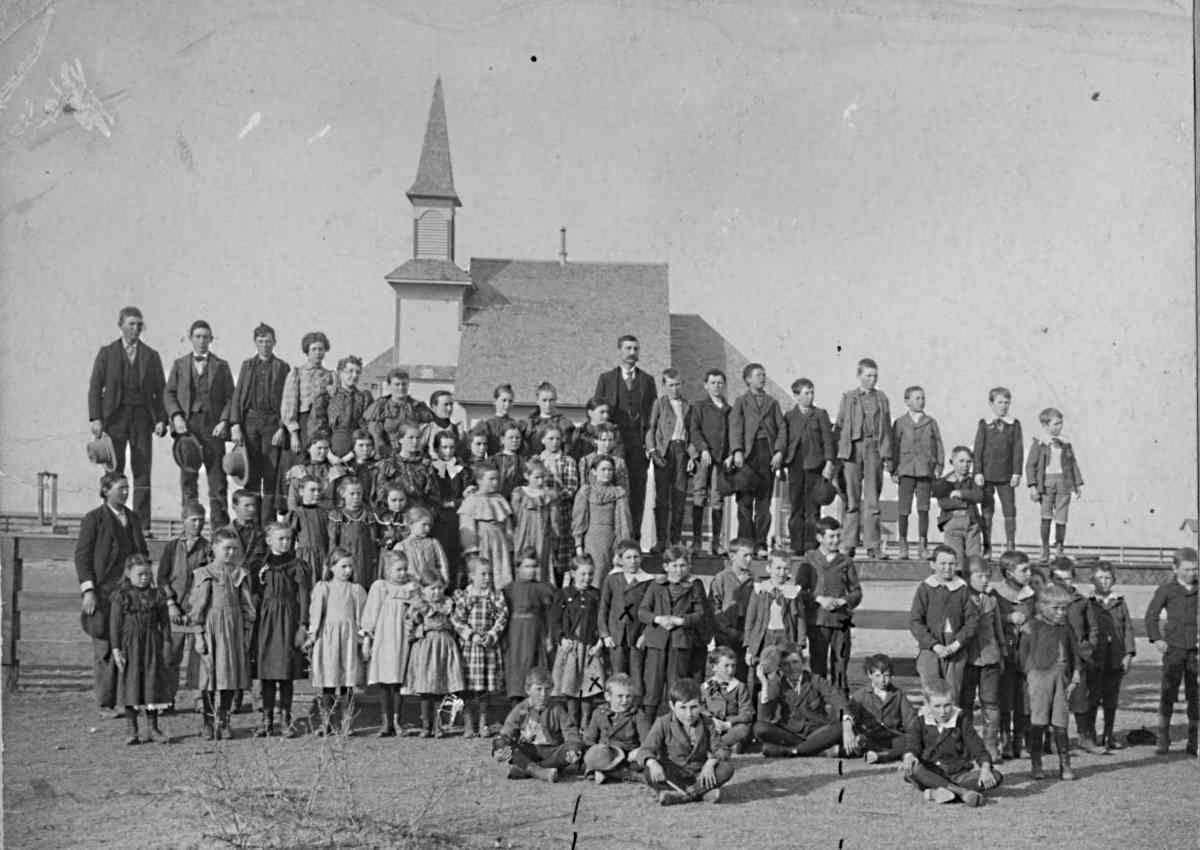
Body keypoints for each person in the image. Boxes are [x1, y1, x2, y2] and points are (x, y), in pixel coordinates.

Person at [87, 306, 168, 534]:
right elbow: (95, 387)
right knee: (113, 470)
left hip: (142, 418)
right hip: (114, 418)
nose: (136, 328)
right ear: (121, 325)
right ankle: (109, 521)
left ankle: (142, 526)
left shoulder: (151, 356)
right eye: (131, 324)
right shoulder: (107, 353)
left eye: (139, 324)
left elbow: (161, 391)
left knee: (142, 469)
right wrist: (96, 418)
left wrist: (161, 419)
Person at [75, 471, 149, 715]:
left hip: (129, 595)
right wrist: (88, 591)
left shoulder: (133, 519)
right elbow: (82, 557)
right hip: (103, 595)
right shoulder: (93, 519)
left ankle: (127, 699)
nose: (126, 492)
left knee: (128, 644)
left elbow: (142, 554)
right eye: (121, 488)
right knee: (105, 647)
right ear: (106, 490)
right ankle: (106, 702)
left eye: (128, 488)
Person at [164, 319, 235, 527]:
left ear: (211, 339)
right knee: (188, 479)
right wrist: (176, 416)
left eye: (206, 337)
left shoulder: (221, 366)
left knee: (217, 480)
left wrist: (224, 421)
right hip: (188, 427)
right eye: (198, 337)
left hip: (213, 427)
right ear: (190, 338)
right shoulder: (179, 365)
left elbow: (231, 397)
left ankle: (220, 528)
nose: (202, 341)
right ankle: (190, 525)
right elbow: (169, 393)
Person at [189, 527, 256, 740]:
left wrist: (246, 633)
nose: (231, 553)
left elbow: (247, 607)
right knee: (210, 677)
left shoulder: (240, 573)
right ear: (214, 548)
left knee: (229, 678)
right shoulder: (204, 574)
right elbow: (197, 609)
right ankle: (208, 722)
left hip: (233, 631)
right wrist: (199, 636)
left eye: (234, 549)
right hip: (212, 629)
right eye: (226, 548)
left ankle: (224, 720)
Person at [900, 678, 1002, 806]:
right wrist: (910, 755)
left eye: (947, 705)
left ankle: (935, 793)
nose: (943, 712)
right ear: (927, 704)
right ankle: (962, 793)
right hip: (930, 773)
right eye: (937, 706)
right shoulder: (920, 721)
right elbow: (912, 744)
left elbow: (977, 747)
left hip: (957, 775)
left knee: (996, 776)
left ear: (952, 702)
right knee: (914, 769)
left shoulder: (961, 720)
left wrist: (985, 768)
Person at [593, 335, 657, 540]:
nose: (632, 353)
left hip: (638, 445)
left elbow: (652, 417)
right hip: (614, 446)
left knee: (637, 492)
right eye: (628, 348)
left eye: (636, 349)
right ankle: (614, 537)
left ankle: (634, 538)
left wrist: (650, 445)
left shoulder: (648, 381)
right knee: (614, 488)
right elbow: (598, 414)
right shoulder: (606, 379)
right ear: (620, 351)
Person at [637, 677, 735, 805]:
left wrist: (710, 763)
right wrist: (652, 763)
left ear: (701, 705)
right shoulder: (662, 722)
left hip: (699, 775)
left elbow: (722, 749)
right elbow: (645, 750)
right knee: (649, 772)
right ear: (672, 706)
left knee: (726, 768)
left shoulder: (708, 723)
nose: (689, 714)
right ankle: (702, 793)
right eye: (683, 708)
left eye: (694, 707)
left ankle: (682, 796)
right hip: (672, 774)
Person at [1019, 581, 1082, 779]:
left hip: (1061, 678)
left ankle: (1065, 764)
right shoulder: (1032, 627)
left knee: (1060, 720)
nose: (1061, 613)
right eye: (1056, 608)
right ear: (1043, 606)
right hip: (1039, 677)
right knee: (1039, 720)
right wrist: (1031, 674)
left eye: (1064, 608)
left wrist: (1076, 673)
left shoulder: (1066, 627)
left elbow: (1075, 652)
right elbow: (1022, 655)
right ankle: (1037, 764)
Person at [109, 553, 173, 745]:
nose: (144, 577)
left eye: (147, 573)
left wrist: (167, 644)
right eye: (140, 574)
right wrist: (116, 649)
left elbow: (165, 624)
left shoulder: (157, 595)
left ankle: (153, 728)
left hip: (152, 645)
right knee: (131, 684)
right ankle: (132, 730)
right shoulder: (121, 596)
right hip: (130, 646)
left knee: (151, 684)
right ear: (128, 574)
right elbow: (114, 625)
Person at [253, 521, 309, 738]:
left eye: (289, 539)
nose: (286, 543)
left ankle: (285, 720)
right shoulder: (260, 566)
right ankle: (266, 720)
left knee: (285, 673)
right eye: (281, 539)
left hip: (288, 620)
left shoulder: (297, 566)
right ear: (269, 541)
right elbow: (254, 597)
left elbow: (303, 597)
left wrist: (302, 625)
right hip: (266, 623)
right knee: (266, 673)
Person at [304, 547, 368, 736]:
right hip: (328, 638)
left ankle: (347, 722)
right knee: (329, 682)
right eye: (343, 566)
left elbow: (361, 616)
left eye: (350, 567)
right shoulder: (323, 587)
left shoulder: (355, 590)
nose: (348, 571)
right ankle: (327, 722)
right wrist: (312, 636)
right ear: (332, 567)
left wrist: (362, 637)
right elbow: (316, 614)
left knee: (347, 683)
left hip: (347, 639)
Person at [230, 323, 290, 522]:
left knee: (271, 474)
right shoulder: (247, 366)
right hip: (250, 423)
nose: (265, 345)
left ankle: (267, 525)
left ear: (275, 343)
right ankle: (251, 522)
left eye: (268, 341)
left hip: (272, 424)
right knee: (251, 473)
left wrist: (282, 427)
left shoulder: (282, 367)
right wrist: (236, 424)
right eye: (261, 341)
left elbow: (287, 400)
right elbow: (237, 396)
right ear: (255, 343)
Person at [639, 546, 707, 720]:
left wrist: (681, 621)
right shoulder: (656, 585)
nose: (679, 570)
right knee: (652, 688)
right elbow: (643, 611)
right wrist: (659, 619)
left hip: (680, 643)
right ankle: (647, 730)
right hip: (657, 643)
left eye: (683, 565)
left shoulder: (694, 586)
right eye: (674, 565)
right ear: (666, 566)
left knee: (676, 688)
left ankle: (674, 728)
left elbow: (701, 614)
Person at [834, 357, 892, 559]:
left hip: (873, 448)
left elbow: (886, 428)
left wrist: (887, 455)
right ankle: (848, 543)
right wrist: (837, 456)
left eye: (875, 375)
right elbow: (840, 425)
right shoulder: (849, 397)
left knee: (872, 499)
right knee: (851, 498)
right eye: (868, 375)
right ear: (859, 376)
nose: (872, 379)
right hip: (851, 449)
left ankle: (873, 544)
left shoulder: (882, 398)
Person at [755, 642, 854, 758]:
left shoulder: (815, 680)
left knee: (839, 727)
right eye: (786, 664)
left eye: (795, 662)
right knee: (759, 728)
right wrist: (765, 684)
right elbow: (764, 719)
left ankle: (794, 751)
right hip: (790, 733)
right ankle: (819, 750)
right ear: (780, 667)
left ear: (804, 662)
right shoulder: (777, 683)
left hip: (817, 732)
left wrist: (847, 722)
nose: (792, 668)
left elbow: (836, 698)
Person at [1144, 546, 1198, 756]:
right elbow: (1151, 616)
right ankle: (1163, 739)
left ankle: (1194, 741)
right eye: (1186, 569)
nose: (1191, 574)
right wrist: (1156, 639)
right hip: (1174, 649)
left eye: (1195, 569)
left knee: (1195, 696)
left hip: (1195, 651)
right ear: (1175, 568)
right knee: (1168, 692)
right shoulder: (1166, 589)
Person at [728, 363, 785, 557]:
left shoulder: (772, 402)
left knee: (763, 502)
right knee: (744, 502)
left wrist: (778, 452)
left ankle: (760, 543)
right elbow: (735, 427)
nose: (762, 378)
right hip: (746, 455)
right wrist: (737, 451)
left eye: (764, 374)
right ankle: (745, 543)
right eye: (758, 375)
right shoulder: (741, 402)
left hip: (766, 454)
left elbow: (781, 428)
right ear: (748, 379)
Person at [1049, 557, 1105, 754]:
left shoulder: (1081, 601)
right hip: (1054, 657)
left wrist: (1088, 647)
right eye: (1060, 579)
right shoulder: (1046, 599)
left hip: (1079, 658)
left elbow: (1094, 628)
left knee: (1080, 697)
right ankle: (1056, 740)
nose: (1065, 583)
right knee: (1056, 699)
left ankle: (1084, 737)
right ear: (1052, 579)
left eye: (1068, 578)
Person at [797, 517, 860, 691]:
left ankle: (841, 711)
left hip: (841, 622)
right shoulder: (809, 559)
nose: (835, 541)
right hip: (818, 621)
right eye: (831, 536)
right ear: (820, 538)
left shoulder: (846, 561)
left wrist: (844, 600)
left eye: (838, 536)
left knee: (840, 666)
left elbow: (857, 592)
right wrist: (819, 599)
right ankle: (818, 707)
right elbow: (800, 591)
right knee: (818, 667)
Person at [158, 501, 209, 709]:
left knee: (199, 656)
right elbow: (162, 577)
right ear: (183, 520)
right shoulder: (172, 546)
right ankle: (167, 698)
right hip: (175, 611)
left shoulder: (207, 548)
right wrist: (171, 604)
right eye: (193, 520)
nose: (197, 524)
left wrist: (199, 606)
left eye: (201, 520)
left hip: (197, 611)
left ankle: (199, 699)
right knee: (171, 655)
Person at [451, 554, 509, 738]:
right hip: (470, 648)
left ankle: (484, 721)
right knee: (468, 687)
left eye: (489, 574)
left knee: (485, 687)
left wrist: (492, 634)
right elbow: (457, 619)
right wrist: (471, 635)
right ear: (472, 576)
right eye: (483, 574)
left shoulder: (495, 596)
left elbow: (502, 616)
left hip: (488, 647)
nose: (487, 578)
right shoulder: (465, 596)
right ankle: (469, 722)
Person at [363, 550, 420, 737]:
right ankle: (385, 721)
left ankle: (398, 720)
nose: (402, 573)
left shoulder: (412, 588)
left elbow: (419, 611)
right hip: (384, 639)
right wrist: (367, 640)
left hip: (403, 639)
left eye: (405, 569)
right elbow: (371, 614)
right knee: (385, 681)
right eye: (398, 570)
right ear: (387, 570)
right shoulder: (380, 587)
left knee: (398, 681)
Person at [910, 545, 979, 699]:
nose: (947, 568)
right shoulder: (925, 589)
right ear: (933, 564)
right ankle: (931, 723)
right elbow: (915, 621)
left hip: (955, 649)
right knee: (932, 693)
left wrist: (956, 644)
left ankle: (952, 723)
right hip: (931, 648)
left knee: (952, 694)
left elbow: (972, 620)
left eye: (951, 564)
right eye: (943, 563)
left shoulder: (962, 589)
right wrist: (934, 645)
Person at [492, 667, 582, 783]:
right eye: (538, 689)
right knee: (507, 746)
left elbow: (570, 730)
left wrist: (572, 748)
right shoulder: (521, 709)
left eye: (547, 689)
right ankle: (540, 771)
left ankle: (526, 769)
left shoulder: (557, 709)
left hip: (552, 752)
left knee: (574, 749)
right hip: (529, 750)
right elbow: (506, 732)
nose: (543, 694)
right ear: (528, 690)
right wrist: (499, 750)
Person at [405, 578, 465, 738]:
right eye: (432, 588)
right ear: (423, 589)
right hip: (426, 648)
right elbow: (409, 627)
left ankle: (439, 725)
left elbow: (455, 623)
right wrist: (422, 628)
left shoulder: (447, 604)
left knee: (441, 688)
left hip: (444, 647)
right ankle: (426, 725)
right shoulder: (419, 605)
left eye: (439, 588)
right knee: (426, 689)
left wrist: (446, 626)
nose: (437, 592)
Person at [890, 385, 944, 561]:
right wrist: (893, 469)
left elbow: (939, 445)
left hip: (924, 470)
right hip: (905, 469)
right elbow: (894, 447)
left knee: (923, 509)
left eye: (923, 397)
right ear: (907, 401)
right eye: (917, 398)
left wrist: (939, 466)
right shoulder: (899, 423)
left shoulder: (931, 422)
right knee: (903, 509)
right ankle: (903, 545)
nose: (921, 401)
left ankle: (922, 545)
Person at [782, 378, 836, 556]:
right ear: (796, 396)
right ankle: (796, 545)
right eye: (806, 393)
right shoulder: (789, 416)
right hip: (795, 467)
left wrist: (829, 462)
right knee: (796, 507)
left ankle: (811, 545)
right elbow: (784, 442)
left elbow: (828, 441)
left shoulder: (820, 414)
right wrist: (782, 464)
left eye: (812, 392)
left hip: (815, 467)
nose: (810, 396)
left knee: (813, 509)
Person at [551, 555, 604, 727]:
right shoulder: (564, 594)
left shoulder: (596, 595)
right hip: (571, 648)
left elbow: (602, 620)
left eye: (590, 574)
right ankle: (572, 720)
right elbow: (554, 621)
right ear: (573, 573)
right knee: (571, 684)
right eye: (583, 574)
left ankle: (586, 721)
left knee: (588, 684)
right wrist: (561, 638)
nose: (587, 578)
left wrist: (599, 643)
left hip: (590, 647)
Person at [1026, 407, 1085, 562]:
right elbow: (1030, 465)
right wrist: (1032, 486)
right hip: (1045, 483)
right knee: (1046, 517)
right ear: (1045, 426)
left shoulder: (1066, 443)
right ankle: (1045, 548)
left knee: (1061, 518)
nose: (1059, 427)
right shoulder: (1039, 443)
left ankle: (1059, 548)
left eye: (1060, 423)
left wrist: (1077, 484)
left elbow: (1073, 463)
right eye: (1055, 424)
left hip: (1064, 482)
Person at [961, 556, 1006, 761]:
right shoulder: (961, 599)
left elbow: (998, 629)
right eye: (980, 576)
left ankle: (990, 744)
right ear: (968, 577)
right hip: (968, 659)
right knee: (966, 703)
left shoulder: (991, 600)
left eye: (988, 576)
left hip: (990, 658)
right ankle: (968, 744)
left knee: (991, 703)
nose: (986, 580)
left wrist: (1002, 652)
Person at [993, 550, 1035, 759]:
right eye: (1023, 570)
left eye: (1029, 569)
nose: (1028, 573)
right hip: (1005, 654)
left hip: (1026, 655)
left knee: (1024, 699)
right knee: (1005, 698)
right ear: (1009, 573)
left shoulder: (1032, 595)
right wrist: (1008, 617)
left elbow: (1038, 617)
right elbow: (989, 618)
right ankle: (1005, 739)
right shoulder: (996, 595)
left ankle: (1021, 739)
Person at [972, 387, 1024, 557]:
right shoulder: (984, 423)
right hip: (986, 475)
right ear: (991, 403)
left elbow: (1018, 449)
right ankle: (987, 546)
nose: (1003, 406)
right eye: (1000, 402)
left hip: (1006, 476)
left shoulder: (1014, 424)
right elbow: (978, 448)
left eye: (1006, 402)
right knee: (987, 511)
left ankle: (1010, 546)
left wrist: (1017, 473)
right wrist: (978, 472)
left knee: (1009, 510)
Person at [1088, 561, 1135, 750]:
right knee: (1092, 697)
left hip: (1115, 658)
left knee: (1111, 698)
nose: (1104, 582)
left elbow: (1128, 629)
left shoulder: (1120, 602)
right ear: (1092, 580)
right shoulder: (1088, 603)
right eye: (1100, 578)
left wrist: (1129, 654)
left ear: (1113, 580)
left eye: (1108, 578)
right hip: (1096, 658)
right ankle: (1090, 735)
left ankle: (1108, 734)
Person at [646, 368, 694, 551]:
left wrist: (692, 456)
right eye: (671, 385)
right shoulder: (659, 404)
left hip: (682, 451)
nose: (675, 389)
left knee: (680, 498)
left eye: (678, 385)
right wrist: (653, 451)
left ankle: (675, 541)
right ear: (664, 386)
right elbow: (650, 429)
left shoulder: (688, 406)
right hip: (664, 453)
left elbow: (691, 434)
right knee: (662, 499)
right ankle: (661, 540)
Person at [598, 540, 654, 687]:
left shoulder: (648, 581)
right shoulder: (612, 579)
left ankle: (635, 704)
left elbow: (652, 612)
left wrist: (645, 635)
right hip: (616, 634)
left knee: (636, 673)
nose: (633, 561)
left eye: (636, 557)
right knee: (617, 672)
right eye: (628, 558)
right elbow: (604, 607)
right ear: (621, 560)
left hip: (636, 634)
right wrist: (605, 634)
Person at [503, 550, 556, 702]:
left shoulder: (544, 588)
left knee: (535, 664)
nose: (531, 570)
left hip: (535, 631)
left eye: (534, 566)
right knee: (516, 666)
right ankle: (516, 703)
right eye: (527, 566)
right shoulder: (509, 589)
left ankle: (537, 703)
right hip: (516, 633)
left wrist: (549, 636)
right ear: (518, 568)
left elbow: (550, 615)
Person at [572, 456, 634, 588]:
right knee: (595, 575)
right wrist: (578, 545)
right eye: (603, 469)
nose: (607, 473)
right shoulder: (586, 491)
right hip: (592, 539)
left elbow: (624, 522)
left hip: (612, 539)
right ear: (594, 471)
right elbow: (579, 519)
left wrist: (623, 548)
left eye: (610, 470)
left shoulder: (618, 493)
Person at [688, 369, 731, 555]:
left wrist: (730, 454)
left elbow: (732, 434)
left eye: (720, 383)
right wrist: (703, 448)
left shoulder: (729, 410)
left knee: (717, 499)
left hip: (721, 460)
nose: (717, 386)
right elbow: (694, 430)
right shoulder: (699, 406)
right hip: (703, 458)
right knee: (699, 495)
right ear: (706, 385)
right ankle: (696, 541)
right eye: (713, 383)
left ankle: (716, 542)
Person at [848, 654, 917, 764]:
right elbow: (850, 717)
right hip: (869, 737)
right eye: (878, 676)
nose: (883, 680)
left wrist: (914, 734)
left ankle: (879, 756)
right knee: (860, 741)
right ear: (869, 675)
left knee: (911, 741)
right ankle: (879, 753)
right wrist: (855, 735)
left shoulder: (898, 694)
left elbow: (910, 720)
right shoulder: (861, 695)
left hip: (891, 736)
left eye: (887, 676)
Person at [582, 673, 649, 784]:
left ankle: (603, 772)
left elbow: (647, 741)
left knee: (644, 761)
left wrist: (638, 751)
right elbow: (589, 740)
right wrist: (595, 752)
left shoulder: (638, 715)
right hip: (606, 754)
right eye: (620, 696)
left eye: (628, 696)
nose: (624, 701)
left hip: (628, 757)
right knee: (594, 755)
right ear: (608, 696)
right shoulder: (599, 713)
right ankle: (623, 774)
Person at [743, 551, 804, 671]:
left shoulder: (793, 590)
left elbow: (800, 618)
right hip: (764, 635)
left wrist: (800, 643)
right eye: (778, 568)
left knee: (784, 669)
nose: (782, 572)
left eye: (786, 569)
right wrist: (749, 646)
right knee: (761, 669)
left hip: (785, 636)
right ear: (768, 568)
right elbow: (750, 619)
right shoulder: (760, 589)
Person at [459, 464, 515, 588]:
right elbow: (467, 530)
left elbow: (508, 526)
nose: (495, 483)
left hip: (500, 544)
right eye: (491, 479)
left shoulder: (499, 499)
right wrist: (471, 550)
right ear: (479, 481)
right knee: (483, 571)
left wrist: (510, 544)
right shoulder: (471, 501)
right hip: (482, 542)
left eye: (497, 479)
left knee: (501, 572)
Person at [280, 331, 334, 461]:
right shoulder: (297, 373)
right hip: (302, 425)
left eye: (321, 349)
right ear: (307, 351)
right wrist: (294, 434)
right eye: (313, 349)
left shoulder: (331, 375)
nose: (317, 353)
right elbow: (289, 405)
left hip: (322, 425)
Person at [708, 539, 756, 681]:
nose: (749, 559)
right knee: (724, 670)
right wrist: (727, 630)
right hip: (725, 633)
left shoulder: (754, 581)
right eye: (745, 555)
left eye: (751, 555)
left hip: (746, 631)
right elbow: (714, 608)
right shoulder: (721, 579)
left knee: (743, 672)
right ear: (732, 556)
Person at [538, 427, 580, 585]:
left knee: (561, 552)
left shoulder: (568, 461)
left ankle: (560, 587)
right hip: (542, 510)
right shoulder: (538, 460)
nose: (554, 442)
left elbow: (570, 489)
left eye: (557, 438)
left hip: (561, 511)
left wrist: (553, 494)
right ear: (543, 440)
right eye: (550, 439)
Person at [311, 355, 373, 462]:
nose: (354, 376)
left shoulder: (364, 398)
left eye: (358, 372)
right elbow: (318, 427)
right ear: (340, 373)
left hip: (357, 453)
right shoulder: (327, 396)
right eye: (350, 371)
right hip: (329, 452)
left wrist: (352, 455)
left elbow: (366, 428)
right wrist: (329, 455)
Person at [932, 447, 983, 569]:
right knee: (956, 561)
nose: (965, 465)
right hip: (952, 522)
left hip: (972, 523)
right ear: (952, 462)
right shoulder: (944, 481)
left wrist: (961, 494)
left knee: (974, 562)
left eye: (968, 461)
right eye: (961, 461)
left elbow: (979, 496)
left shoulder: (973, 480)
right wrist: (964, 504)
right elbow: (943, 503)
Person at [430, 432, 469, 586]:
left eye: (451, 447)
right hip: (438, 518)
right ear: (436, 449)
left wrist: (454, 503)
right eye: (444, 447)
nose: (448, 451)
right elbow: (430, 494)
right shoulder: (430, 468)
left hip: (457, 516)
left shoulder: (462, 469)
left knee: (456, 556)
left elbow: (468, 493)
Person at [511, 459, 559, 584]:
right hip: (522, 534)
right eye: (536, 477)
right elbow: (514, 516)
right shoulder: (519, 493)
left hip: (541, 535)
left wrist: (554, 536)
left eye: (543, 477)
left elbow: (554, 520)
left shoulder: (548, 495)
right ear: (527, 476)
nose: (540, 481)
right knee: (521, 560)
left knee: (540, 561)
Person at [363, 368, 426, 459]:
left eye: (404, 384)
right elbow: (375, 436)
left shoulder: (418, 407)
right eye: (397, 384)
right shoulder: (380, 407)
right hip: (386, 456)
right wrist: (389, 455)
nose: (401, 388)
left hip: (413, 456)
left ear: (408, 385)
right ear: (389, 386)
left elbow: (428, 432)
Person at [373, 423, 437, 512]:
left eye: (418, 438)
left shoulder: (426, 465)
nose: (415, 442)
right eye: (410, 438)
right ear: (400, 439)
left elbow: (433, 497)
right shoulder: (388, 464)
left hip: (418, 514)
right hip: (393, 516)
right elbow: (380, 495)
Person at [327, 479, 378, 590]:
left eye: (358, 494)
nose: (356, 497)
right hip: (344, 560)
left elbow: (373, 540)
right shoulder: (337, 515)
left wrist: (374, 560)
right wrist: (333, 563)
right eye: (352, 494)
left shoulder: (368, 515)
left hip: (364, 561)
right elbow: (332, 541)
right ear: (342, 493)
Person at [702, 646, 753, 752]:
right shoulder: (705, 686)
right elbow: (700, 708)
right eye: (726, 666)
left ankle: (714, 746)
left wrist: (727, 724)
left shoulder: (739, 686)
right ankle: (727, 745)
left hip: (731, 727)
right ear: (714, 667)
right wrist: (712, 720)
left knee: (743, 730)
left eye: (733, 666)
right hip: (712, 726)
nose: (730, 670)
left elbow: (747, 714)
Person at [289, 476, 331, 586]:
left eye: (319, 490)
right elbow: (289, 541)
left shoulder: (325, 513)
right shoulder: (297, 513)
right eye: (312, 490)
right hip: (305, 559)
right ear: (301, 491)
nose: (317, 494)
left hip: (324, 559)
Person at [399, 506, 450, 587]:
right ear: (411, 524)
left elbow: (442, 564)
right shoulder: (401, 546)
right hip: (411, 587)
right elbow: (398, 569)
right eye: (424, 525)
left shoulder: (433, 543)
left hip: (433, 586)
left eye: (429, 525)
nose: (428, 529)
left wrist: (444, 583)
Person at [285, 436, 337, 514]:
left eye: (326, 448)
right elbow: (293, 500)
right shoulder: (299, 470)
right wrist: (295, 518)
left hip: (328, 515)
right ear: (309, 448)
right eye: (319, 448)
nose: (323, 452)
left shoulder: (334, 470)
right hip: (305, 516)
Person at [524, 381, 576, 457]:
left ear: (556, 400)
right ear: (538, 401)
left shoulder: (565, 424)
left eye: (551, 400)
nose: (548, 404)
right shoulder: (528, 424)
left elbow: (568, 451)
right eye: (544, 400)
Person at [577, 424, 630, 489]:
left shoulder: (619, 462)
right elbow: (583, 486)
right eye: (603, 440)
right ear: (595, 440)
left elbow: (624, 488)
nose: (607, 444)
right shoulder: (586, 461)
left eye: (610, 440)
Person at [574, 397, 625, 461]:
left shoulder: (614, 432)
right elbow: (574, 457)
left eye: (607, 412)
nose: (606, 416)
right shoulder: (580, 432)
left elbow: (618, 457)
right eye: (602, 412)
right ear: (590, 413)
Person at [477, 383, 521, 456]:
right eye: (504, 400)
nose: (507, 405)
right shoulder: (487, 425)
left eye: (510, 401)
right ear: (495, 401)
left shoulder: (516, 425)